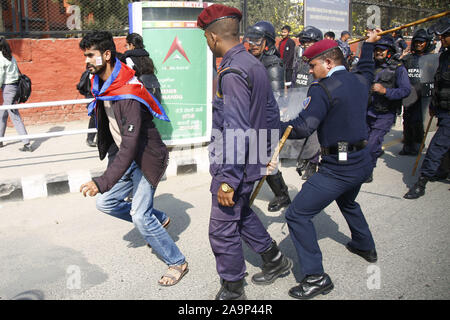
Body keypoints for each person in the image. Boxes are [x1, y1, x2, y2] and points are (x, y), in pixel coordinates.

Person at [78, 31, 188, 287]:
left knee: (139, 215)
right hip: (126, 160)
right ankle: (158, 220)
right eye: (84, 56)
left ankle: (177, 261)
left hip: (147, 159)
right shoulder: (103, 84)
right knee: (105, 204)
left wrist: (102, 181)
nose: (86, 61)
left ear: (106, 55)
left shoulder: (127, 92)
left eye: (90, 55)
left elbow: (129, 146)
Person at [197, 4, 292, 300]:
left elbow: (236, 130)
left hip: (234, 165)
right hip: (250, 161)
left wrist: (227, 179)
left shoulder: (233, 71)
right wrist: (264, 155)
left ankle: (233, 288)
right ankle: (275, 259)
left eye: (205, 38)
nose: (207, 43)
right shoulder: (253, 64)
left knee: (222, 228)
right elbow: (270, 114)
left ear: (213, 37)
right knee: (241, 213)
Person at [280, 30, 381, 299]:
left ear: (327, 62)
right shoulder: (360, 79)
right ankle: (364, 244)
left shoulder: (323, 88)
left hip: (339, 167)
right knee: (348, 202)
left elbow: (303, 127)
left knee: (297, 214)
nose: (311, 71)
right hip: (361, 161)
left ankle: (315, 277)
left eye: (312, 65)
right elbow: (369, 67)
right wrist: (370, 46)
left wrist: (274, 125)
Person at [243, 21, 291, 212]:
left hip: (266, 121)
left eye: (257, 40)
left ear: (268, 43)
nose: (252, 44)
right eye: (250, 40)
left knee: (268, 160)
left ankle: (283, 195)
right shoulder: (254, 60)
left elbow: (276, 99)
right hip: (253, 118)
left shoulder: (272, 65)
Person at [404, 18, 450, 199]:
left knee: (437, 146)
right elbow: (439, 82)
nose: (442, 39)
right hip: (443, 108)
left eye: (445, 36)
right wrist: (434, 104)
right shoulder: (445, 56)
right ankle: (443, 170)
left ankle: (421, 182)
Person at [365, 35, 411, 182]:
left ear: (389, 52)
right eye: (376, 50)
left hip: (385, 113)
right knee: (364, 142)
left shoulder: (398, 69)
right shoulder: (370, 66)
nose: (378, 53)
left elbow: (405, 90)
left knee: (371, 144)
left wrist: (385, 91)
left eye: (382, 50)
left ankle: (367, 170)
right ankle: (374, 153)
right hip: (367, 111)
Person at [291, 26, 323, 180]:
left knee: (314, 135)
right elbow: (294, 79)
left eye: (308, 42)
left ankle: (312, 164)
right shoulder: (300, 60)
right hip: (299, 101)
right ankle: (303, 158)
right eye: (303, 42)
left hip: (315, 103)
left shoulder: (323, 62)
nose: (304, 45)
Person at [400, 28, 438, 156]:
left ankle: (417, 144)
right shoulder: (408, 59)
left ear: (427, 43)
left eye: (422, 42)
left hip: (424, 95)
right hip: (409, 93)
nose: (419, 44)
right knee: (407, 119)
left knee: (418, 120)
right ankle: (407, 144)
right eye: (417, 41)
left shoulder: (431, 59)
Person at [0, 37, 32, 151]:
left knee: (14, 115)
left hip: (8, 88)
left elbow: (1, 75)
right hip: (14, 87)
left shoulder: (0, 57)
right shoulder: (11, 57)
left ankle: (27, 144)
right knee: (2, 114)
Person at [120, 33, 162, 104]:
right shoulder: (147, 58)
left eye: (127, 45)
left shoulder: (128, 59)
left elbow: (127, 78)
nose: (126, 48)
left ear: (132, 45)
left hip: (138, 95)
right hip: (152, 93)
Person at [76, 68, 97, 147]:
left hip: (95, 96)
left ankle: (99, 138)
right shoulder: (89, 73)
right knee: (94, 116)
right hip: (91, 96)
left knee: (100, 117)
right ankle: (90, 138)